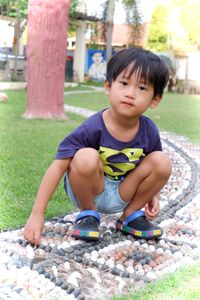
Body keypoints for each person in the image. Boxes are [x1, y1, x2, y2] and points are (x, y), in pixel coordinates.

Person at [24, 48, 172, 245]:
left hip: (124, 192)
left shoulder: (149, 131)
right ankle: (88, 214)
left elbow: (153, 168)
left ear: (155, 100)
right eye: (124, 83)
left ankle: (130, 216)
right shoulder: (92, 127)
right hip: (90, 188)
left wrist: (153, 195)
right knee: (85, 156)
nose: (130, 93)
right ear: (108, 87)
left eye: (142, 88)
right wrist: (37, 213)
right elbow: (58, 166)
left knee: (162, 161)